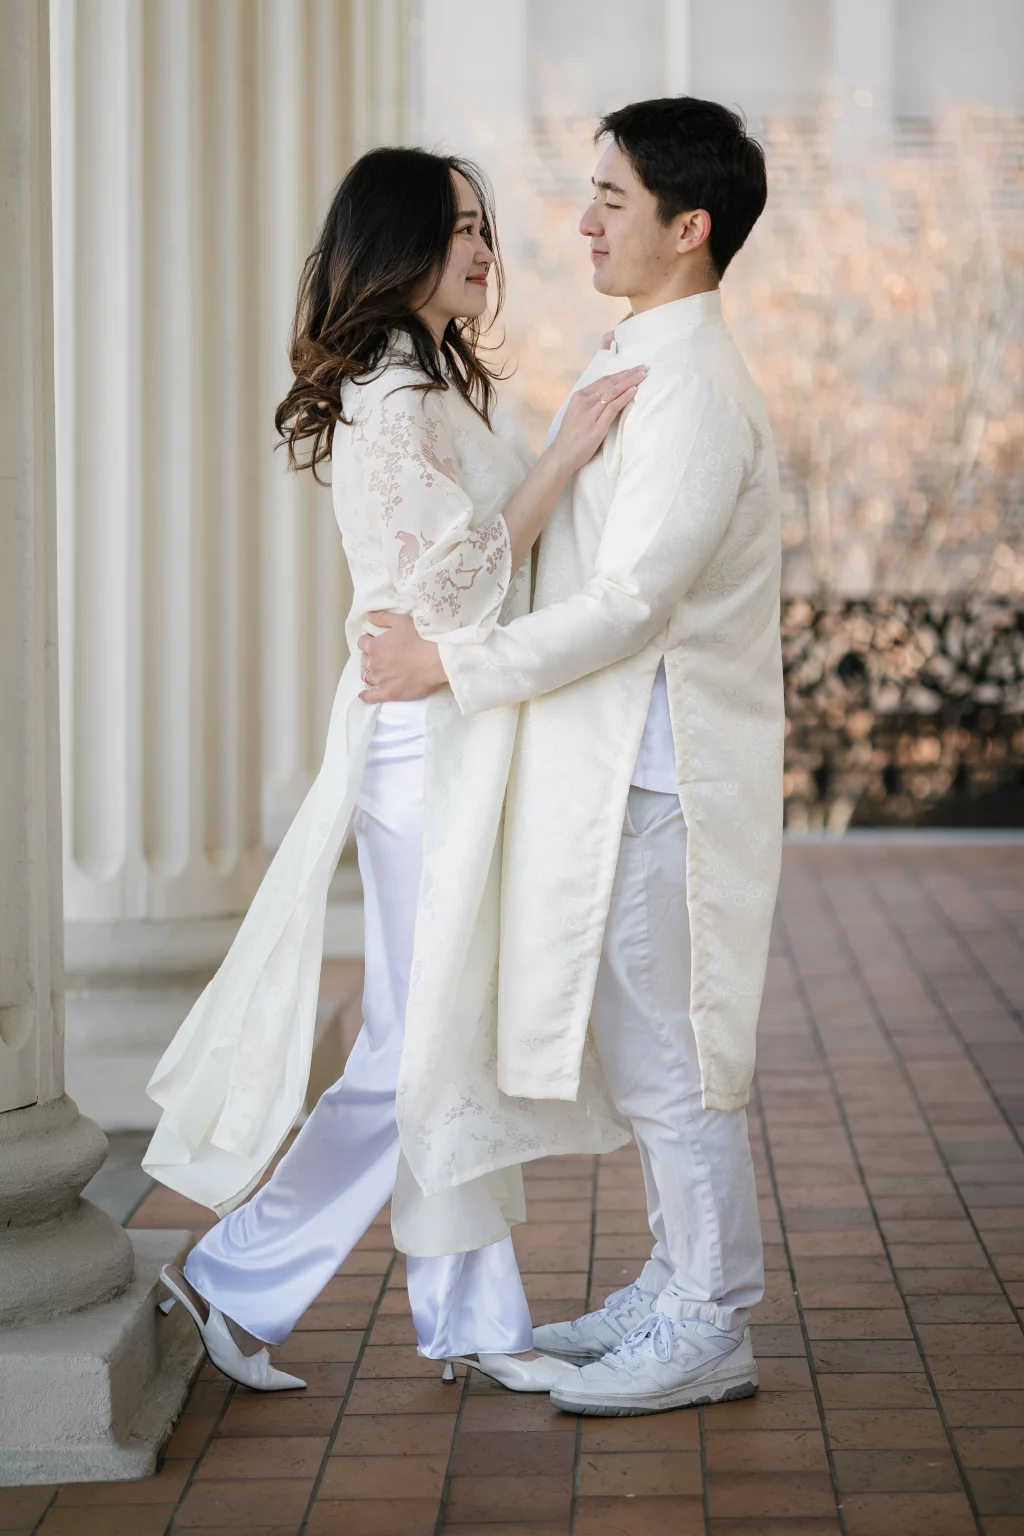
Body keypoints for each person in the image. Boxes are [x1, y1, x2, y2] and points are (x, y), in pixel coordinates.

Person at [143, 146, 644, 1393]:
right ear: (399, 244)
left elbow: (463, 591)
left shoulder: (427, 381)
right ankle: (230, 1276)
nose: (485, 249)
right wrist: (564, 456)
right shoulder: (389, 396)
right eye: (457, 228)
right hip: (424, 745)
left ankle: (468, 1316)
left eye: (483, 226)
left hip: (455, 729)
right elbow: (455, 587)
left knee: (436, 1036)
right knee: (414, 1043)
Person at [358, 96, 785, 1416]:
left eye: (612, 196)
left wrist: (449, 663)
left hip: (661, 777)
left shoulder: (696, 389)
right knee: (658, 1056)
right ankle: (677, 1284)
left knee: (682, 1062)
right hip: (615, 778)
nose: (583, 217)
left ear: (689, 226)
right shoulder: (640, 360)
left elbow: (629, 603)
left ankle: (711, 1317)